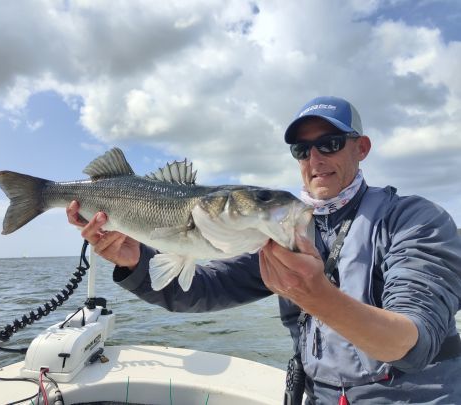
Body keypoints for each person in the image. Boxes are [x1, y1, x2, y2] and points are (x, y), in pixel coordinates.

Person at [67, 96, 461, 404]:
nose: (315, 158)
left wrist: (318, 297)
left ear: (361, 148)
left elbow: (413, 342)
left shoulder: (415, 220)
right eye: (301, 150)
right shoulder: (279, 233)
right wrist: (136, 262)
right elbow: (204, 289)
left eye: (330, 143)